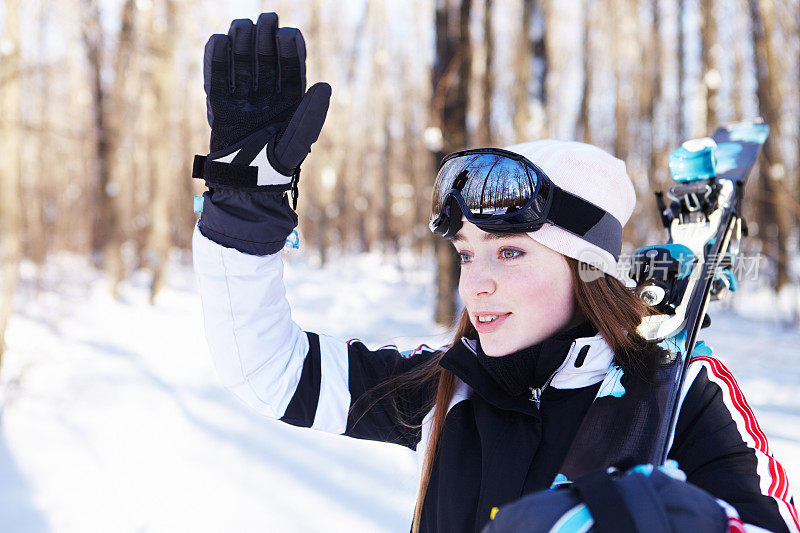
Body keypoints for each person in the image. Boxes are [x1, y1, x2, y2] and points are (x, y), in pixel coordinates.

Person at [192, 14, 799, 533]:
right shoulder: (447, 388)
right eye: (466, 253)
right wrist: (242, 214)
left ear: (586, 268)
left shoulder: (682, 392)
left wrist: (661, 515)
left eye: (509, 252)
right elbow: (268, 370)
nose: (475, 283)